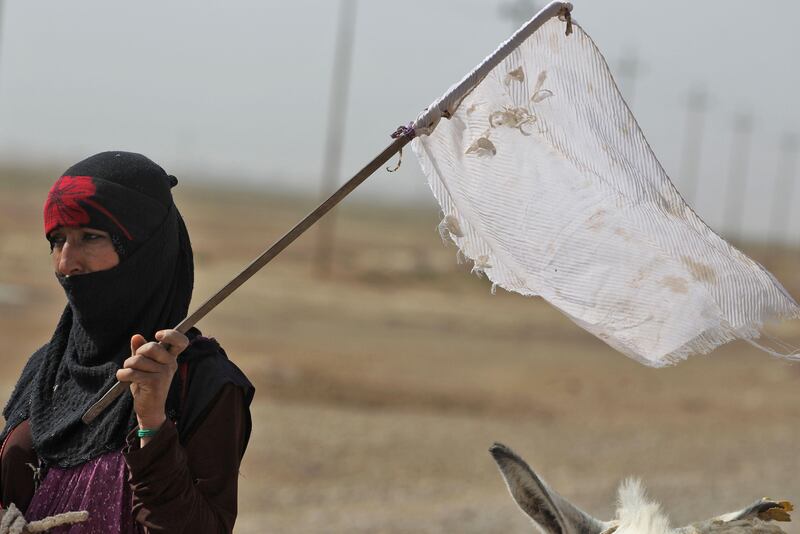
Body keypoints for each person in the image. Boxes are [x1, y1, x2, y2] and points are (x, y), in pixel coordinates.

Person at [0, 152, 254, 533]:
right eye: (57, 240)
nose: (67, 261)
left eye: (90, 237)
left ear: (145, 251)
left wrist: (151, 421)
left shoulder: (202, 383)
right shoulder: (47, 368)